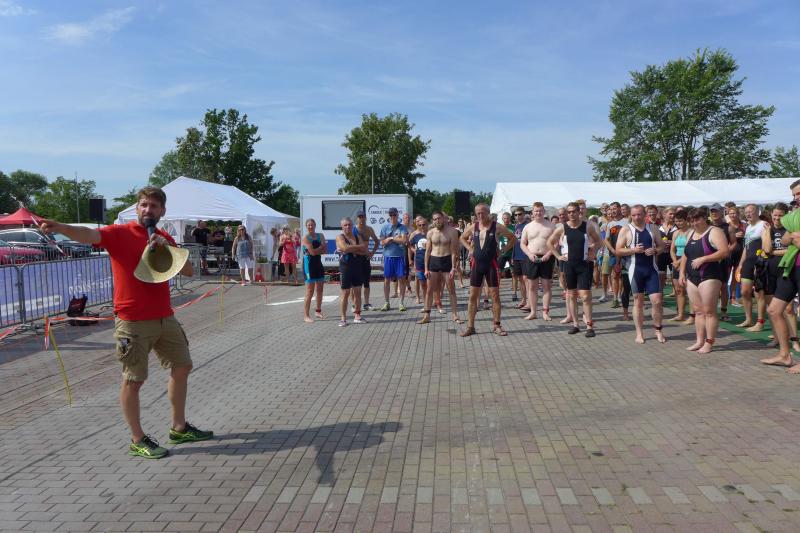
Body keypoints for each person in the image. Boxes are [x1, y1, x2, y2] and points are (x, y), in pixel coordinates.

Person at [39, 186, 211, 459]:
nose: (148, 210)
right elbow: (88, 235)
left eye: (154, 206)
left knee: (182, 366)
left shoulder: (164, 236)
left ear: (162, 211)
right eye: (144, 205)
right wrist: (60, 227)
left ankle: (179, 427)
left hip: (164, 317)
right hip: (133, 322)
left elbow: (188, 270)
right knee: (134, 380)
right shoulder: (120, 233)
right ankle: (137, 439)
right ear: (137, 208)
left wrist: (167, 248)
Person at [678, 207, 729, 355]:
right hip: (692, 277)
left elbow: (724, 252)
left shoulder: (715, 231)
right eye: (692, 220)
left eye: (697, 219)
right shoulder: (691, 233)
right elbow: (686, 255)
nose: (695, 223)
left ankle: (709, 342)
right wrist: (681, 273)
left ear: (705, 218)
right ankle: (699, 341)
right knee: (698, 311)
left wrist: (704, 259)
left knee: (709, 311)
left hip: (710, 276)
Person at [459, 203, 516, 336]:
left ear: (488, 212)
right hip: (477, 265)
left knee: (495, 296)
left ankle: (497, 325)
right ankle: (470, 327)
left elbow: (512, 238)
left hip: (491, 265)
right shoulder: (473, 226)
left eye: (483, 213)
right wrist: (470, 248)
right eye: (478, 213)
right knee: (473, 296)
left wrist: (503, 250)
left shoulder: (497, 226)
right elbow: (461, 238)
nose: (480, 215)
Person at [548, 202, 602, 337]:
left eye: (573, 211)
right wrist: (558, 256)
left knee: (585, 296)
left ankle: (589, 326)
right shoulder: (562, 227)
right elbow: (549, 242)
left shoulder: (587, 226)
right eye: (569, 212)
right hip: (569, 265)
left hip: (584, 265)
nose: (571, 214)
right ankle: (576, 325)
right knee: (571, 295)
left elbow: (599, 241)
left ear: (579, 212)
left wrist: (593, 252)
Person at [615, 205, 666, 344]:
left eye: (639, 214)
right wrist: (633, 250)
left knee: (657, 301)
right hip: (635, 270)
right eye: (634, 215)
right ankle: (639, 333)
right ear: (630, 216)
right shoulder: (626, 229)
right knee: (638, 301)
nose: (636, 217)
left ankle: (658, 330)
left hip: (651, 270)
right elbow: (618, 250)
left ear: (645, 215)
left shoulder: (653, 228)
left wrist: (655, 250)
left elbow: (662, 246)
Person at [761, 203, 800, 355]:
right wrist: (767, 234)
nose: (777, 218)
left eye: (780, 215)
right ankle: (777, 338)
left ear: (786, 216)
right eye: (775, 215)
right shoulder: (768, 229)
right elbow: (766, 249)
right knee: (773, 309)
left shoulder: (789, 227)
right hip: (770, 271)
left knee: (789, 309)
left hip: (786, 270)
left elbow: (792, 249)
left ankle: (794, 341)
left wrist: (773, 252)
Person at [418, 211, 462, 325]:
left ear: (443, 219)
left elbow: (454, 251)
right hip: (434, 261)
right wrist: (426, 268)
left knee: (451, 290)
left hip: (447, 261)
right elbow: (427, 251)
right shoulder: (430, 232)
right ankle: (427, 315)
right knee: (429, 290)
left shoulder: (452, 232)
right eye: (435, 219)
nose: (437, 221)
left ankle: (455, 315)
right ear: (433, 221)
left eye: (439, 218)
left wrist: (453, 267)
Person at [520, 202, 555, 321]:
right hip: (532, 257)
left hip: (547, 257)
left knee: (546, 286)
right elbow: (522, 243)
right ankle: (533, 312)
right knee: (532, 286)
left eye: (540, 211)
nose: (538, 213)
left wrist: (548, 254)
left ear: (544, 211)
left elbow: (556, 243)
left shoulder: (551, 226)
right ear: (532, 212)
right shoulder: (528, 227)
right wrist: (529, 254)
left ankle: (545, 311)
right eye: (536, 211)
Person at [735, 204, 768, 331]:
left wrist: (761, 262)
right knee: (745, 291)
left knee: (758, 293)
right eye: (746, 212)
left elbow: (766, 245)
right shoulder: (748, 227)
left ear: (757, 212)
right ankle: (748, 319)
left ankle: (760, 322)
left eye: (751, 211)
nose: (748, 214)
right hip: (747, 262)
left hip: (759, 262)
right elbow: (746, 247)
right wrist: (740, 264)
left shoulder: (763, 224)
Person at [336, 217, 367, 326]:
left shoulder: (357, 236)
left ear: (352, 225)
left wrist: (350, 248)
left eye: (349, 224)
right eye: (345, 225)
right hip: (346, 268)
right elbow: (344, 248)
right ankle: (343, 319)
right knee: (345, 293)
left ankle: (357, 316)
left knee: (358, 292)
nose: (347, 227)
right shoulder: (340, 237)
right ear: (342, 226)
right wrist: (358, 248)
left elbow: (365, 250)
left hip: (357, 267)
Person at [709, 203, 736, 320]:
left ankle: (724, 311)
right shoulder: (707, 227)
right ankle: (711, 311)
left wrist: (724, 252)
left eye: (716, 211)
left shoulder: (728, 227)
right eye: (712, 211)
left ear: (722, 212)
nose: (714, 213)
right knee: (710, 286)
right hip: (710, 260)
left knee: (723, 286)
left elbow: (734, 243)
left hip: (723, 261)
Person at [379, 208, 409, 312]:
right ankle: (387, 302)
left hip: (399, 257)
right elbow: (382, 242)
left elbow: (404, 240)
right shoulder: (385, 227)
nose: (392, 217)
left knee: (401, 279)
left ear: (397, 215)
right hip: (388, 257)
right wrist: (394, 239)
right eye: (391, 215)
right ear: (389, 216)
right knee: (387, 280)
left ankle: (401, 303)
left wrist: (391, 239)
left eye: (394, 215)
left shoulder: (402, 227)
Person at [302, 218, 326, 323]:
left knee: (320, 289)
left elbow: (325, 251)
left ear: (315, 225)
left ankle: (318, 311)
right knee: (310, 291)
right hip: (309, 265)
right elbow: (312, 253)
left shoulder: (321, 235)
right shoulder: (305, 238)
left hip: (318, 264)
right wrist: (320, 247)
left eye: (312, 225)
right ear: (306, 226)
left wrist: (316, 250)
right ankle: (306, 315)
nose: (310, 227)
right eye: (308, 225)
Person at [353, 211, 378, 310]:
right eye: (359, 217)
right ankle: (354, 304)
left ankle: (366, 304)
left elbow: (377, 241)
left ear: (366, 218)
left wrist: (372, 253)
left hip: (365, 258)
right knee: (355, 283)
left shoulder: (369, 229)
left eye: (363, 217)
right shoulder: (353, 229)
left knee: (366, 282)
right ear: (357, 218)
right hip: (355, 258)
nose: (361, 219)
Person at [669, 210, 691, 322]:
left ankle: (693, 315)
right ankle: (681, 314)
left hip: (688, 260)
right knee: (678, 290)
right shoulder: (676, 233)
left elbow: (689, 250)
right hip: (677, 261)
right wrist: (675, 261)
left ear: (686, 220)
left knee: (689, 290)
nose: (678, 223)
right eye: (676, 221)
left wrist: (679, 262)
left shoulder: (691, 232)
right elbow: (672, 249)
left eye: (681, 221)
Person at [604, 202, 626, 308]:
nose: (613, 211)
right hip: (613, 254)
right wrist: (612, 250)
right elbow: (606, 239)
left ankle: (621, 295)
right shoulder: (610, 224)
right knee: (615, 275)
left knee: (623, 275)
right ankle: (615, 298)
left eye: (614, 208)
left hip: (626, 253)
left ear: (619, 208)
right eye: (611, 209)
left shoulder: (627, 221)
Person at [727, 204, 746, 307]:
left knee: (737, 277)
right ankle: (725, 298)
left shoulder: (744, 225)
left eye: (734, 213)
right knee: (726, 277)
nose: (732, 215)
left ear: (738, 214)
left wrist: (744, 235)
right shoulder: (727, 225)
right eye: (730, 213)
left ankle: (734, 298)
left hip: (741, 253)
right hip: (729, 254)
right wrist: (733, 236)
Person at [510, 208, 529, 310]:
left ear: (524, 214)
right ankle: (523, 300)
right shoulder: (516, 226)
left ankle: (529, 302)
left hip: (525, 255)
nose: (517, 216)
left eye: (520, 214)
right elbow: (514, 242)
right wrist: (513, 256)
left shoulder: (528, 225)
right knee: (521, 279)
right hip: (517, 255)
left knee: (527, 279)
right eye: (516, 215)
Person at [408, 216, 429, 306]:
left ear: (427, 225)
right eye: (419, 225)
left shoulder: (430, 234)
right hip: (419, 261)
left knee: (430, 283)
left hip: (430, 262)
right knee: (420, 282)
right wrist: (414, 252)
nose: (421, 226)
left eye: (423, 225)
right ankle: (420, 298)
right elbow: (409, 245)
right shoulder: (415, 235)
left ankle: (431, 300)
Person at [499, 212, 514, 294]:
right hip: (502, 253)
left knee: (513, 272)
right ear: (502, 219)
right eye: (504, 218)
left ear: (510, 218)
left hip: (511, 252)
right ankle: (497, 287)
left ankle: (514, 288)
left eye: (507, 218)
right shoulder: (499, 228)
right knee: (499, 271)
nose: (506, 220)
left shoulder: (513, 227)